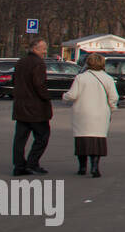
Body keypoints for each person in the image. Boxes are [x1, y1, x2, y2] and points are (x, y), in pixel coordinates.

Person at [62, 53, 118, 177]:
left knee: (82, 139)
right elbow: (114, 97)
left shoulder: (81, 78)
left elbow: (72, 95)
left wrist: (64, 96)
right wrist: (112, 108)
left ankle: (82, 167)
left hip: (82, 113)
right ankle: (95, 167)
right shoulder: (108, 78)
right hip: (101, 114)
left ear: (88, 63)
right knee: (97, 140)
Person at [12, 38, 53, 176]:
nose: (45, 51)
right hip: (36, 108)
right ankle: (32, 163)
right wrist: (47, 97)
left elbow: (15, 81)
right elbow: (39, 84)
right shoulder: (38, 63)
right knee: (42, 136)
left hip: (20, 107)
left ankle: (18, 166)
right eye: (43, 48)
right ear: (35, 48)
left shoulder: (20, 62)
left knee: (20, 138)